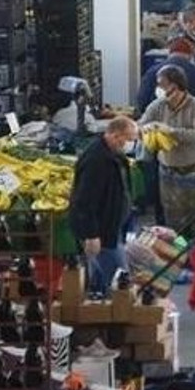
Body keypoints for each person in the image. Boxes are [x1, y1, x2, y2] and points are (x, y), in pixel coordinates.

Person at [69, 116, 139, 297]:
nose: (130, 144)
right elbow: (84, 200)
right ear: (117, 136)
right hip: (102, 231)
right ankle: (120, 314)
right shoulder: (96, 160)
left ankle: (101, 306)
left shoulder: (112, 154)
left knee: (101, 275)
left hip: (111, 227)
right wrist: (91, 234)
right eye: (130, 140)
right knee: (120, 278)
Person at [139, 65, 195, 226]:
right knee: (173, 221)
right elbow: (141, 125)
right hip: (168, 173)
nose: (159, 89)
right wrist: (146, 129)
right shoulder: (157, 106)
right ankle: (179, 249)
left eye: (162, 85)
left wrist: (171, 132)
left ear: (176, 86)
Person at [136, 39, 195, 115]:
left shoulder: (152, 72)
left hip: (159, 129)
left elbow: (141, 103)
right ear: (190, 55)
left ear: (170, 54)